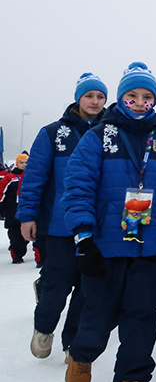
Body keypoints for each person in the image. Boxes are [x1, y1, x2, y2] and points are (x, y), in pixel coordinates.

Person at [62, 62, 156, 382]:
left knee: (143, 316)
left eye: (147, 97)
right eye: (132, 96)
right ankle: (82, 354)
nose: (140, 102)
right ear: (121, 99)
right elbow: (79, 186)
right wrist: (84, 237)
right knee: (99, 314)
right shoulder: (98, 137)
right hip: (106, 244)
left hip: (151, 244)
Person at [18, 73, 107, 359]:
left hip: (97, 226)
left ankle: (73, 342)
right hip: (60, 225)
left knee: (87, 288)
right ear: (78, 99)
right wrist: (27, 216)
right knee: (57, 284)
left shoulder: (110, 133)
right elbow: (34, 178)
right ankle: (43, 328)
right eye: (89, 96)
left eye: (100, 97)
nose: (95, 102)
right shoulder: (53, 133)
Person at [1, 153, 29, 263]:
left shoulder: (32, 177)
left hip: (28, 211)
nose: (24, 165)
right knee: (15, 236)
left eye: (26, 162)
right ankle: (16, 255)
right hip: (13, 212)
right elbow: (1, 193)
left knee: (29, 236)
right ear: (17, 164)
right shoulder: (10, 178)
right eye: (21, 163)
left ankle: (39, 257)